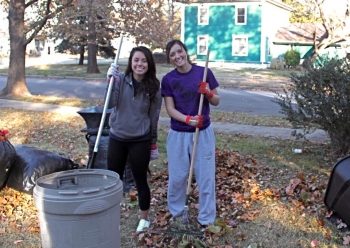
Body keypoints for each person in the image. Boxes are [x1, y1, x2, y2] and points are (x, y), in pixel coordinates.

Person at [161, 39, 220, 231]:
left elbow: (217, 100)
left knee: (205, 177)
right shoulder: (168, 79)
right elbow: (170, 109)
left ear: (186, 51)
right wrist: (188, 120)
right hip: (179, 134)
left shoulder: (204, 73)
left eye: (180, 51)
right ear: (169, 59)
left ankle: (206, 220)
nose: (177, 56)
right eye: (172, 54)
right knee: (178, 177)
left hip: (202, 134)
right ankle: (178, 214)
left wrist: (209, 93)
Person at [105, 46, 162, 233]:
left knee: (140, 180)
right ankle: (110, 216)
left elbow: (154, 118)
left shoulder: (154, 87)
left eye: (144, 60)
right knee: (113, 179)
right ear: (131, 62)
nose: (140, 64)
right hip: (117, 137)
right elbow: (110, 103)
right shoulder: (120, 80)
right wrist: (110, 80)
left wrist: (153, 143)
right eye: (136, 60)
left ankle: (144, 219)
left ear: (149, 64)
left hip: (140, 139)